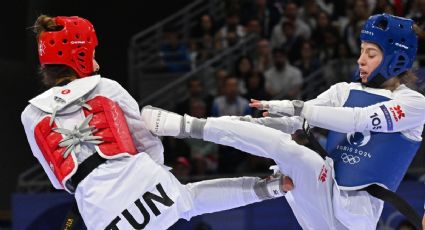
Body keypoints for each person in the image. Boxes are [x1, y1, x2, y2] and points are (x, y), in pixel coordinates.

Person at [141, 13, 425, 229]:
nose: (361, 60)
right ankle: (186, 126)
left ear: (397, 58)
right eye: (362, 50)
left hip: (355, 219)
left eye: (371, 53)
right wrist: (241, 123)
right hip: (321, 197)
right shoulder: (344, 91)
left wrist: (298, 108)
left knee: (299, 152)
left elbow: (357, 119)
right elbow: (294, 123)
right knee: (289, 148)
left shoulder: (414, 105)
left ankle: (271, 184)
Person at [21, 15, 295, 229]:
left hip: (98, 211)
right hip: (139, 177)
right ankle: (271, 186)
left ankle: (270, 187)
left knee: (188, 203)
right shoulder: (106, 87)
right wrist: (155, 176)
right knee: (187, 200)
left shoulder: (31, 115)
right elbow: (148, 142)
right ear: (78, 55)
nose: (96, 61)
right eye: (91, 53)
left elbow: (60, 181)